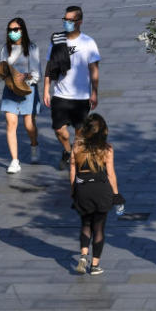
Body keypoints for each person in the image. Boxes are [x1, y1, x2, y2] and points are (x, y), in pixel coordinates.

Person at [43, 5, 100, 170]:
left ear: (79, 22)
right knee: (59, 130)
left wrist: (95, 92)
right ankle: (68, 151)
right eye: (65, 20)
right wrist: (46, 89)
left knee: (80, 133)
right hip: (61, 95)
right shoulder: (58, 41)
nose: (66, 23)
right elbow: (50, 66)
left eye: (70, 20)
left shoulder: (88, 43)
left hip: (81, 97)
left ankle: (76, 160)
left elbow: (94, 70)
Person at [69, 114, 120, 275]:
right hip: (101, 189)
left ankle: (83, 255)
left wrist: (73, 192)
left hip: (83, 189)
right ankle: (95, 265)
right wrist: (116, 195)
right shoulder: (107, 149)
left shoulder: (77, 147)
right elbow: (111, 174)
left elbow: (72, 171)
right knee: (98, 227)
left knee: (85, 224)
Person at [0, 17, 41, 174]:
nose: (13, 33)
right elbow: (3, 70)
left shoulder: (32, 48)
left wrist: (25, 77)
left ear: (22, 30)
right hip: (10, 90)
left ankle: (34, 145)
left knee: (29, 125)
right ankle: (14, 160)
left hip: (27, 90)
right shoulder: (5, 49)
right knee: (10, 123)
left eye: (16, 30)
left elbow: (36, 73)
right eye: (10, 30)